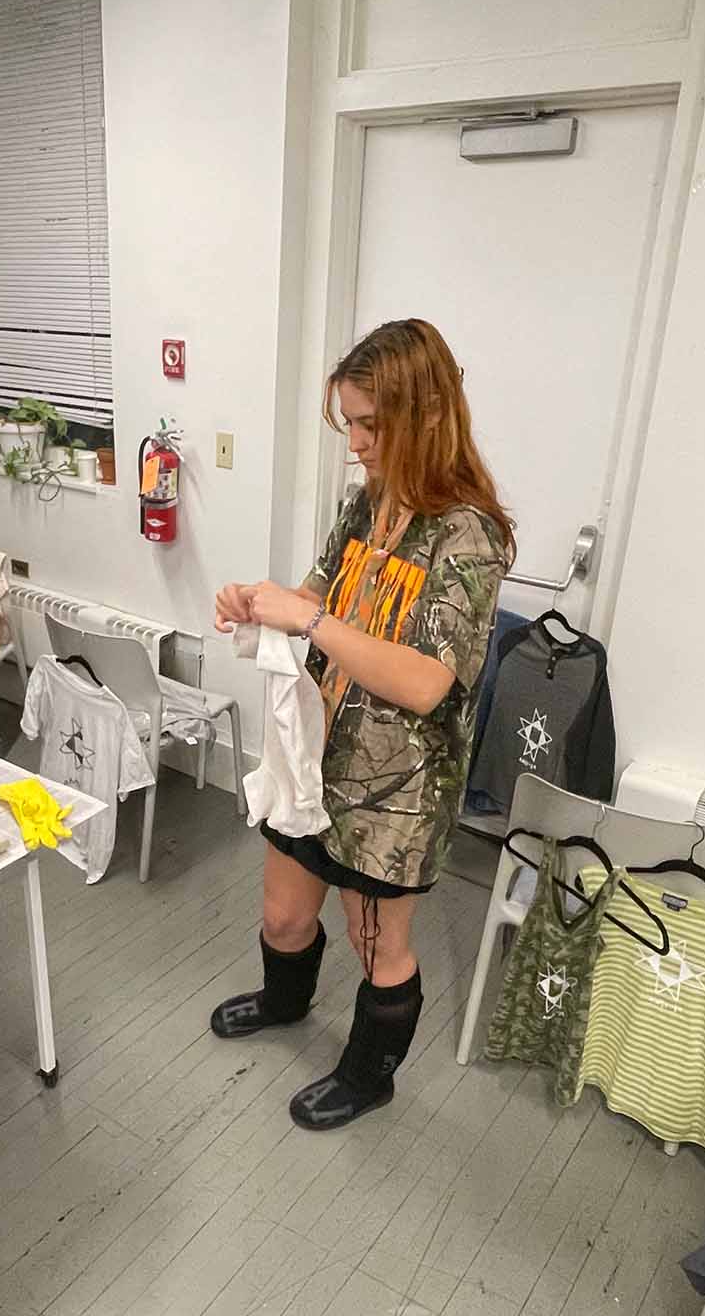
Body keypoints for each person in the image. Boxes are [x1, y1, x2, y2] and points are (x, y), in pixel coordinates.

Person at [209, 318, 514, 1129]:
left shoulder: (469, 536)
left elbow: (422, 683)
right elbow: (317, 597)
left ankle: (368, 1074)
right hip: (321, 757)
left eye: (371, 424)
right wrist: (261, 600)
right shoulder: (367, 503)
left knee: (374, 941)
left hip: (398, 790)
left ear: (429, 415)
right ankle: (285, 1003)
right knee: (283, 913)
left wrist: (307, 624)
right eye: (349, 423)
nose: (357, 443)